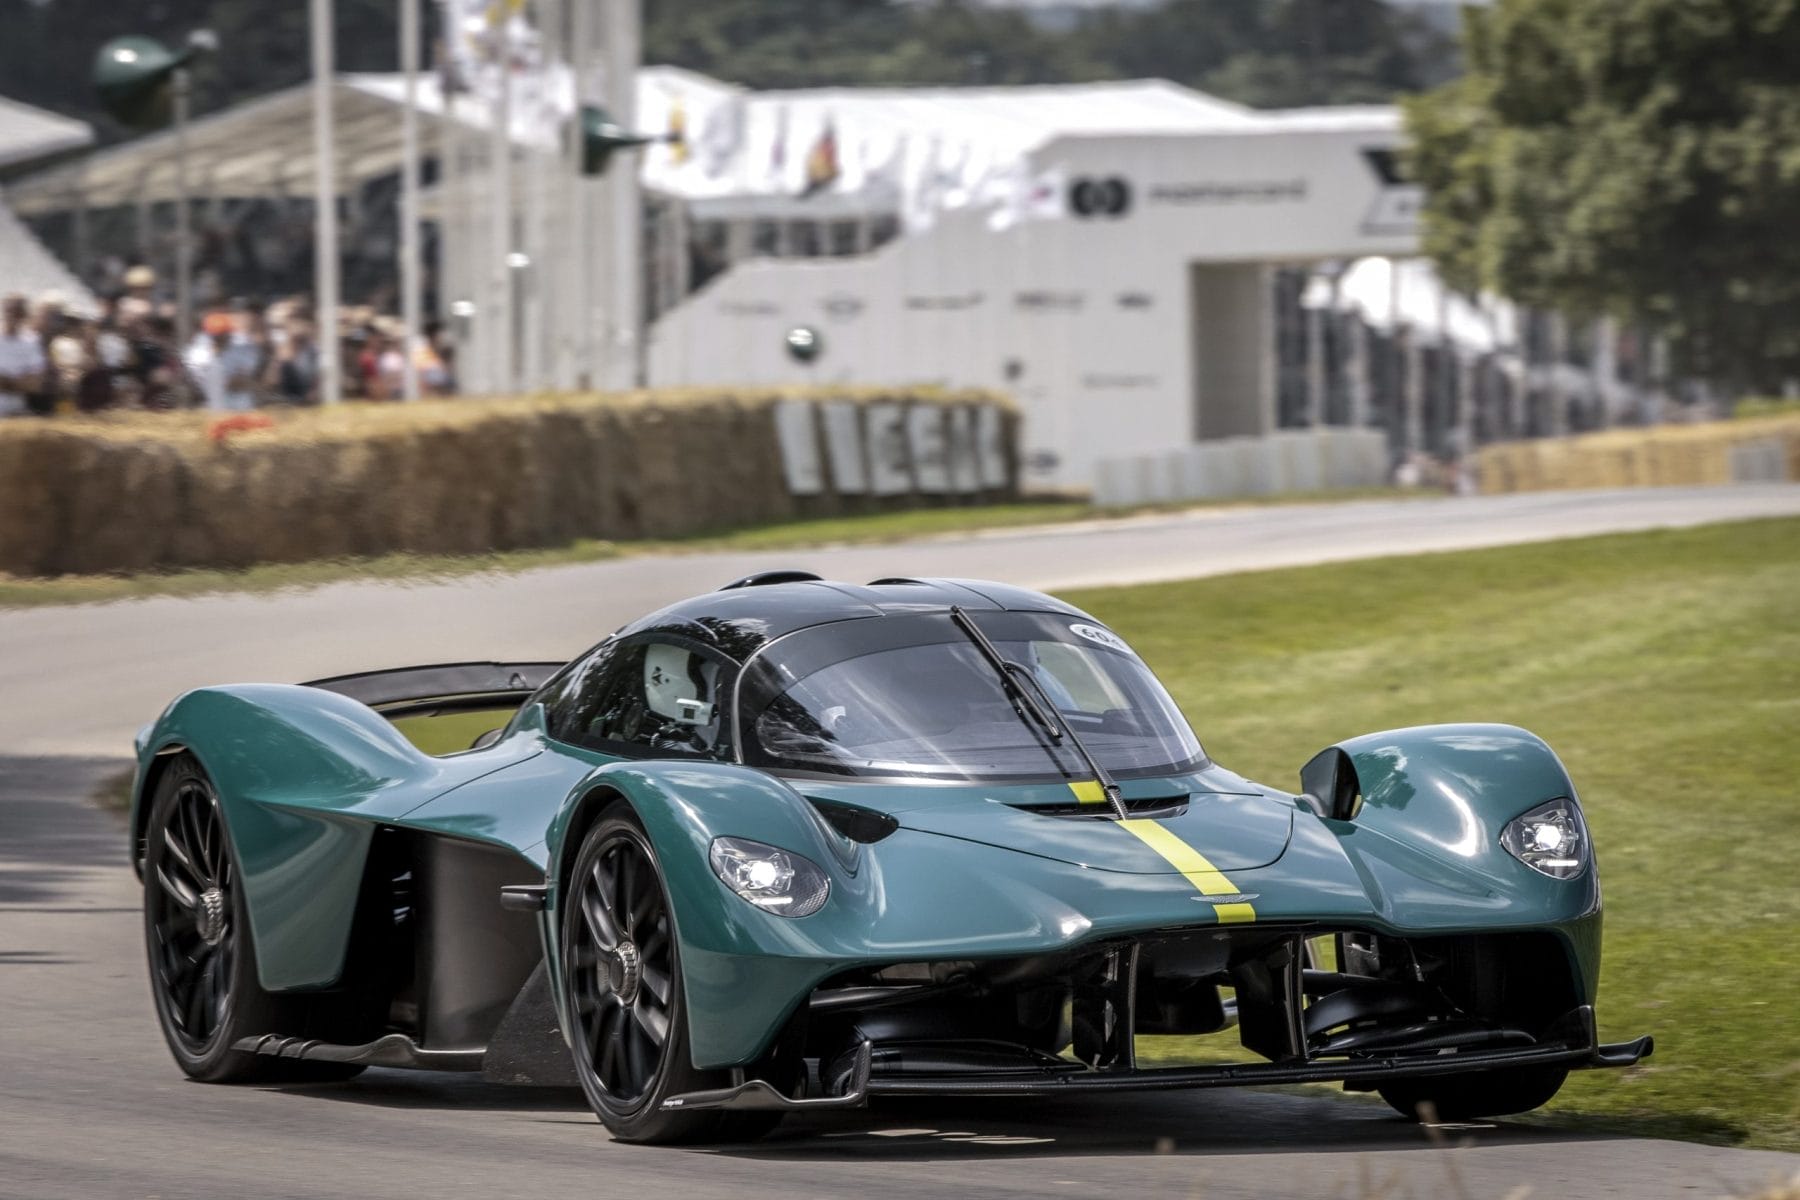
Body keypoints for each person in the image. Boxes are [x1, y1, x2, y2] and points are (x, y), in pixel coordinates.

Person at [184, 310, 260, 411]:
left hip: (241, 402)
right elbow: (200, 382)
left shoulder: (242, 346)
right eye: (220, 335)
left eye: (226, 333)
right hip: (212, 403)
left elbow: (242, 380)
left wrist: (235, 380)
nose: (224, 337)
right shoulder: (198, 352)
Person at [0, 294, 47, 417]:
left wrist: (5, 382)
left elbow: (34, 384)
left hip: (13, 412)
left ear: (23, 315)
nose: (11, 316)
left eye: (17, 312)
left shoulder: (31, 341)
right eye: (9, 311)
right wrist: (17, 382)